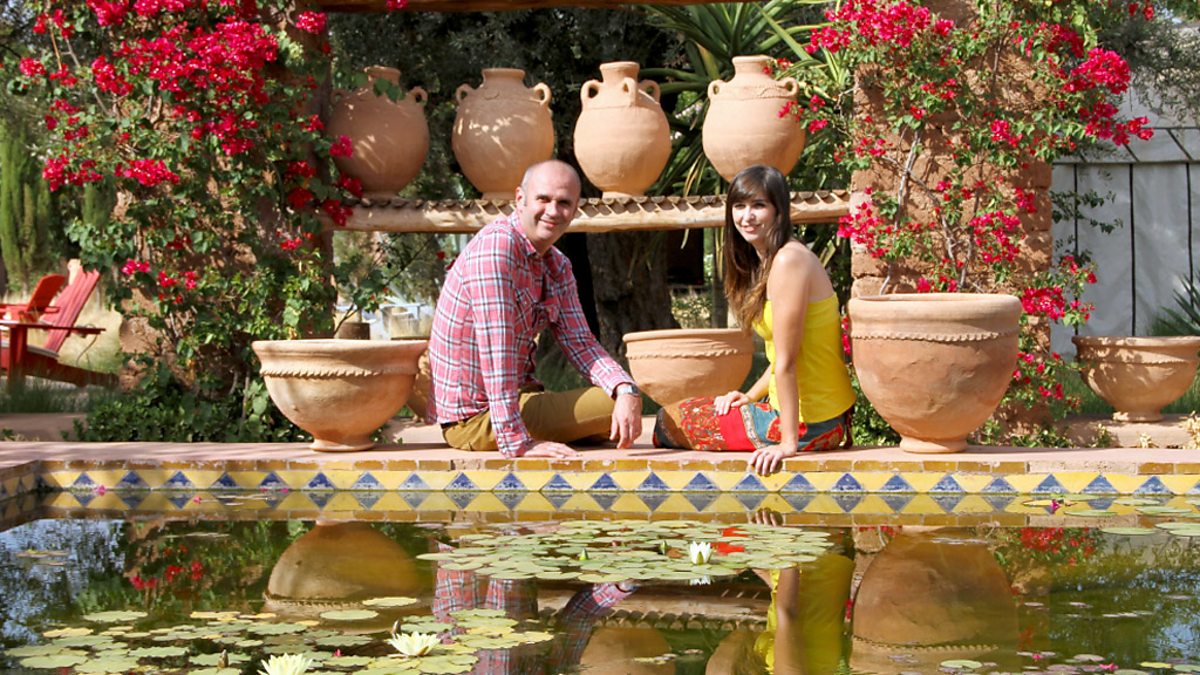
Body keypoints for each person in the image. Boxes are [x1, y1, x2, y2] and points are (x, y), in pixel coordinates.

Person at [427, 160, 642, 459]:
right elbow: (497, 353)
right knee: (609, 409)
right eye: (543, 199)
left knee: (621, 404)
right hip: (475, 419)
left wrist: (624, 388)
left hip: (521, 399)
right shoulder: (496, 248)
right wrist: (518, 442)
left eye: (564, 203)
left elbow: (581, 343)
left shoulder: (557, 265)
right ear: (520, 199)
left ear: (575, 209)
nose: (553, 211)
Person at [653, 164, 855, 475]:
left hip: (812, 423)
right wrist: (748, 396)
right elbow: (782, 358)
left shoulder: (789, 260)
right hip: (811, 416)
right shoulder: (769, 261)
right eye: (739, 206)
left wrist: (787, 444)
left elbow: (787, 362)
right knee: (681, 414)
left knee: (669, 423)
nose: (747, 216)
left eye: (758, 205)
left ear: (778, 211)